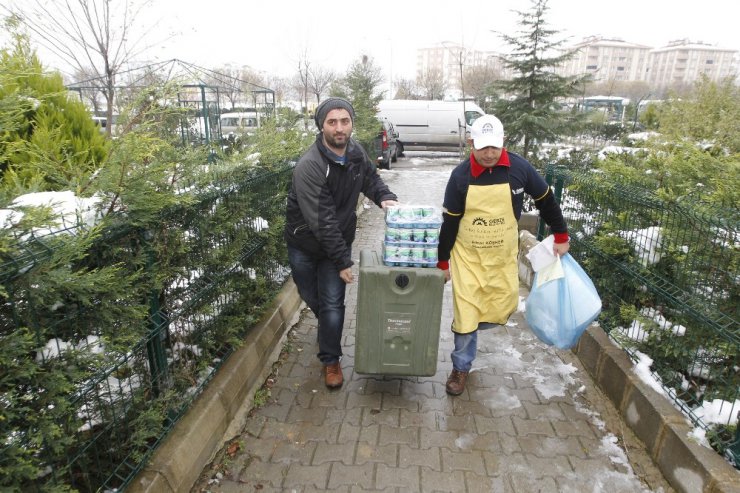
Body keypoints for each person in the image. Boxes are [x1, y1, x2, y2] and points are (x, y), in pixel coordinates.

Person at [437, 114, 570, 396]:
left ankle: (474, 331)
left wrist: (561, 235)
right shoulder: (460, 176)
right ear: (472, 143)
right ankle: (461, 366)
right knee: (466, 314)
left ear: (503, 142)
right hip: (468, 258)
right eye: (483, 147)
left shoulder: (520, 168)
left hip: (501, 256)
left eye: (494, 147)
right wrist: (443, 261)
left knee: (503, 302)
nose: (489, 153)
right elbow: (449, 222)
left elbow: (546, 199)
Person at [284, 97, 399, 389]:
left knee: (333, 304)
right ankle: (328, 332)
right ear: (322, 126)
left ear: (351, 123)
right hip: (305, 246)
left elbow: (371, 179)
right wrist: (343, 261)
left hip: (335, 243)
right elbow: (322, 221)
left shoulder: (356, 153)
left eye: (344, 121)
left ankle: (331, 360)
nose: (339, 128)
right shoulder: (310, 166)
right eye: (332, 122)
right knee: (316, 300)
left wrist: (385, 197)